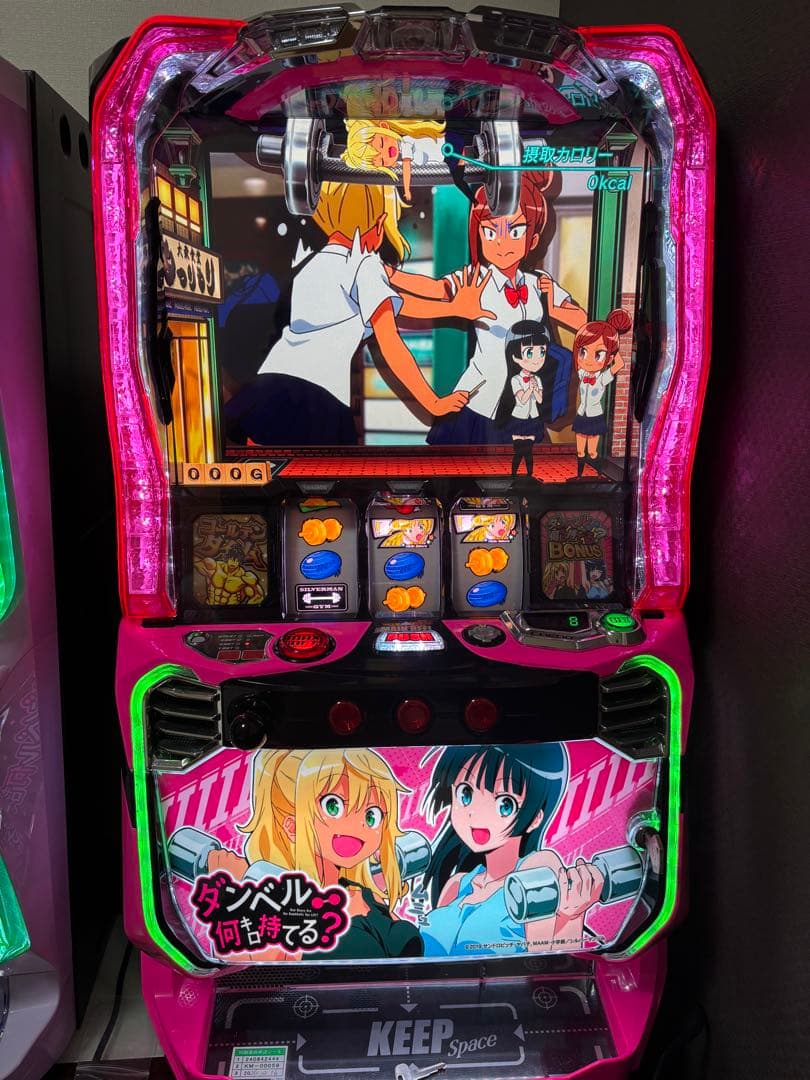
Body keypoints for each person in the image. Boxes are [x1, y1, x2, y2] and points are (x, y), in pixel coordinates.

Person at [224, 181, 493, 446]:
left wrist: (452, 305)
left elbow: (399, 300)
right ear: (377, 223)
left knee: (273, 471)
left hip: (270, 386)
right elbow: (391, 342)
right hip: (315, 397)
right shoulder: (364, 264)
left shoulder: (317, 261)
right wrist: (434, 402)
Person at [387, 171, 586, 445]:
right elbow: (434, 289)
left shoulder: (538, 284)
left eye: (515, 231)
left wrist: (555, 308)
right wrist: (390, 275)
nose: (501, 242)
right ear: (479, 234)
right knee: (460, 470)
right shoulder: (476, 279)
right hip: (480, 401)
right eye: (490, 232)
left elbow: (582, 322)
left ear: (532, 240)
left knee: (524, 469)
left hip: (524, 405)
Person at [206, 747, 423, 960]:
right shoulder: (279, 910)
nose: (359, 826)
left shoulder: (365, 895)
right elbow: (241, 963)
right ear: (292, 827)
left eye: (371, 816)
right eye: (333, 806)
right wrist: (228, 894)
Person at [419, 745, 604, 956]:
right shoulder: (456, 885)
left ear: (535, 818)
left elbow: (546, 962)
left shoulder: (536, 871)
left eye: (504, 804)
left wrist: (571, 917)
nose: (476, 814)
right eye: (466, 794)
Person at [569, 308, 632, 478]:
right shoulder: (582, 373)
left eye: (598, 354)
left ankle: (598, 474)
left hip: (595, 416)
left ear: (608, 357)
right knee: (580, 451)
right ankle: (579, 476)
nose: (588, 359)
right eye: (583, 352)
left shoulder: (603, 377)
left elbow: (619, 365)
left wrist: (613, 342)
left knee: (592, 452)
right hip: (581, 414)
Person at [493, 320, 556, 479]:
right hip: (518, 418)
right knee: (519, 451)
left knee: (528, 452)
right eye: (529, 353)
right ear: (515, 356)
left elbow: (540, 401)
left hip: (533, 418)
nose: (537, 359)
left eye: (542, 352)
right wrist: (530, 389)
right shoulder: (516, 379)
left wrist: (536, 389)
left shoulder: (537, 379)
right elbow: (521, 399)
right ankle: (514, 475)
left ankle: (528, 475)